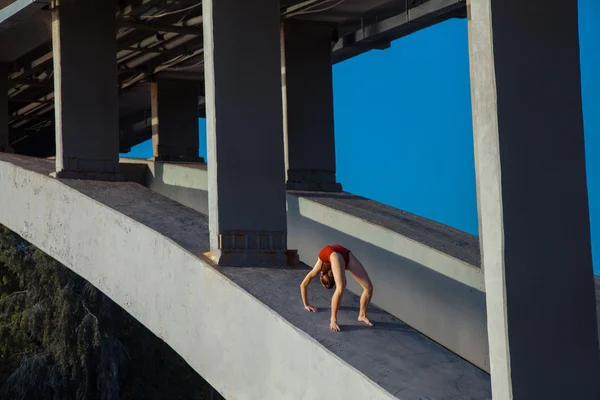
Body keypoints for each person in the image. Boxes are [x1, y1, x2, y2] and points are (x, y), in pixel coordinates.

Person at [300, 244, 374, 332]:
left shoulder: (318, 267)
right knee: (368, 287)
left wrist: (306, 304)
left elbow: (303, 285)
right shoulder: (335, 268)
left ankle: (334, 320)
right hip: (345, 254)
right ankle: (361, 314)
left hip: (335, 254)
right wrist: (306, 304)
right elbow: (303, 285)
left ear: (321, 276)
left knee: (341, 287)